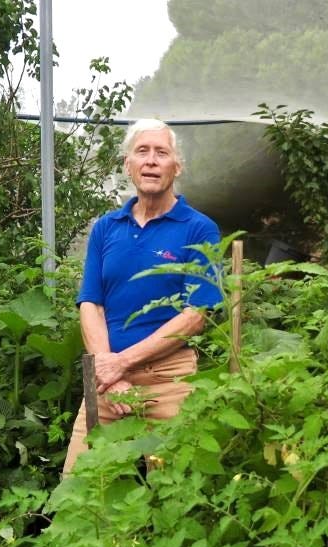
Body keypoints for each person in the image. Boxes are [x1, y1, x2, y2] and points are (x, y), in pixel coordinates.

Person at [62, 119, 221, 473]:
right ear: (127, 164)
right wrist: (111, 373)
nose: (151, 160)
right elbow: (91, 304)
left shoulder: (199, 228)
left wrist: (122, 362)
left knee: (172, 498)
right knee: (79, 489)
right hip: (106, 382)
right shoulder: (106, 228)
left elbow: (197, 314)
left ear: (176, 166)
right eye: (142, 151)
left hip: (169, 381)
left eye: (161, 153)